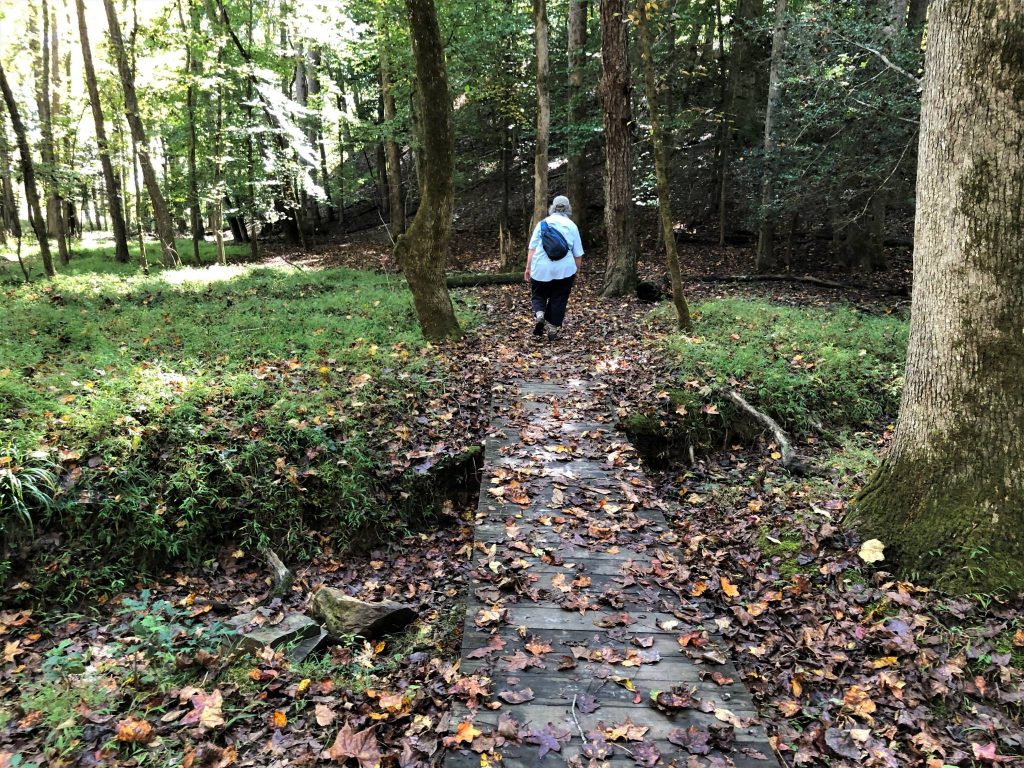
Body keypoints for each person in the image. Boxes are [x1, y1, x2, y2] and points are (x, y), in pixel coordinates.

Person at [524, 195, 584, 341]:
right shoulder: (571, 226)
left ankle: (539, 315)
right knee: (559, 297)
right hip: (564, 269)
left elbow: (532, 249)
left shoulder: (542, 224)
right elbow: (578, 254)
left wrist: (528, 268)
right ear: (568, 208)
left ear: (552, 207)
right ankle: (552, 330)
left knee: (538, 294)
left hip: (541, 267)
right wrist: (576, 270)